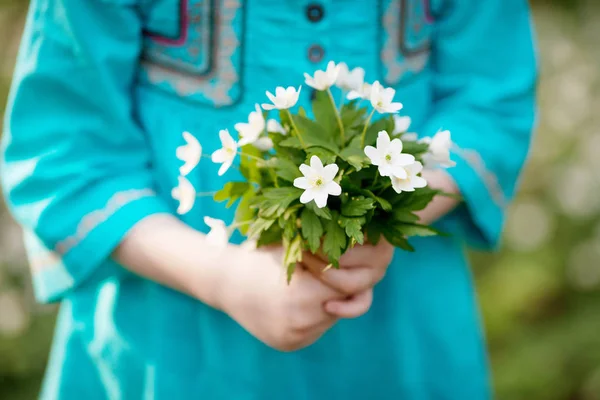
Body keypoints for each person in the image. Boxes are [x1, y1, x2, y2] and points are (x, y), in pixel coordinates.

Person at [1, 0, 537, 398]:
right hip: (172, 348)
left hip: (398, 341)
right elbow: (64, 153)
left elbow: (490, 102)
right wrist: (224, 277)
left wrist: (379, 219)